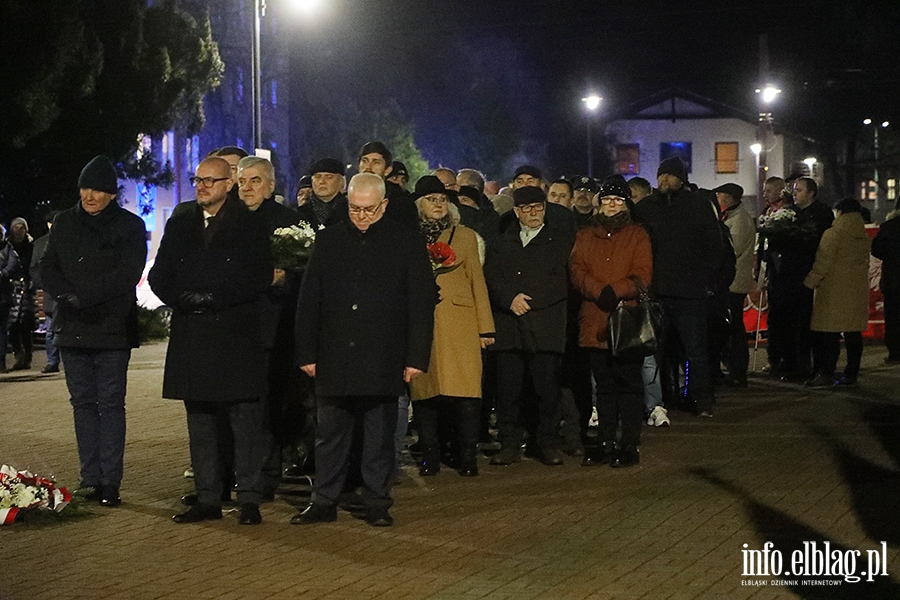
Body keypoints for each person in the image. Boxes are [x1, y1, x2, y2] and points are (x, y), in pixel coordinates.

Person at [292, 173, 434, 527]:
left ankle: (376, 501)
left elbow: (420, 304)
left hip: (383, 354)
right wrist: (307, 353)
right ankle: (323, 499)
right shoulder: (329, 241)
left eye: (369, 210)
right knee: (330, 435)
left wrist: (416, 357)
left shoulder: (406, 242)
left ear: (383, 205)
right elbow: (309, 301)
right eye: (354, 209)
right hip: (335, 353)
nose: (361, 217)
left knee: (378, 436)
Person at [149, 156, 272, 525]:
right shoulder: (182, 223)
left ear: (229, 183)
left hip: (234, 334)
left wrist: (217, 299)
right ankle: (207, 497)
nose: (201, 186)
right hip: (194, 334)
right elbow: (159, 275)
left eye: (209, 180)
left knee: (244, 420)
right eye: (197, 180)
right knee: (200, 420)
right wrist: (181, 298)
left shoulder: (250, 224)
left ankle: (249, 497)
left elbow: (259, 275)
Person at [40, 155, 147, 506]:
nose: (90, 195)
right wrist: (65, 296)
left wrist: (84, 296)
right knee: (82, 404)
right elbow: (48, 267)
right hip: (73, 327)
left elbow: (129, 273)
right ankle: (90, 478)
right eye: (86, 188)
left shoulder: (130, 226)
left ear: (112, 195)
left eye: (99, 190)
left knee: (112, 404)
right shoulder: (65, 223)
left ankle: (110, 481)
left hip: (112, 328)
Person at [409, 176, 495, 477]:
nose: (438, 204)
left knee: (467, 393)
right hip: (423, 325)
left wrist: (485, 328)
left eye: (443, 199)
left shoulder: (466, 236)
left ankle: (467, 456)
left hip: (461, 323)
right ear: (420, 204)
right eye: (431, 199)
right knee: (425, 393)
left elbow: (478, 282)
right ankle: (430, 456)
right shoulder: (408, 237)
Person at [485, 186, 574, 466]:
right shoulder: (501, 242)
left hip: (544, 327)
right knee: (508, 391)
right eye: (527, 208)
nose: (533, 213)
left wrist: (528, 300)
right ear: (516, 212)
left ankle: (546, 443)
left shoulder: (559, 241)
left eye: (538, 207)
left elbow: (561, 280)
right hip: (509, 327)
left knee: (546, 390)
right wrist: (509, 299)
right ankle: (509, 444)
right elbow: (491, 277)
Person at [632, 156, 724, 417]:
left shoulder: (698, 206)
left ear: (681, 178)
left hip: (689, 293)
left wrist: (701, 280)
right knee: (654, 353)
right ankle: (658, 401)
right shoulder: (647, 208)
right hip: (656, 292)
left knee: (695, 351)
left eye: (670, 175)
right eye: (661, 175)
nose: (664, 179)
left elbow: (713, 248)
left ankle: (700, 400)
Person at [570, 177, 652, 467]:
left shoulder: (637, 234)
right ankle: (606, 439)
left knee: (628, 383)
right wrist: (595, 290)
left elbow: (642, 273)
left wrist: (616, 290)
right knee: (603, 385)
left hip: (625, 317)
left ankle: (629, 442)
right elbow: (577, 269)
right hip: (595, 316)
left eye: (617, 200)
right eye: (606, 200)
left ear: (626, 203)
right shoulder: (586, 234)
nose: (611, 205)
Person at [237, 155, 304, 497]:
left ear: (271, 185)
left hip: (271, 330)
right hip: (233, 330)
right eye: (242, 182)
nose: (247, 188)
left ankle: (266, 475)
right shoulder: (227, 219)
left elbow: (301, 277)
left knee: (266, 407)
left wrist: (284, 279)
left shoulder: (288, 222)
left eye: (255, 181)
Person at [761, 177, 833, 381]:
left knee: (807, 324)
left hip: (807, 275)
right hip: (788, 277)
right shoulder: (792, 213)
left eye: (799, 190)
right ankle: (790, 363)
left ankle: (809, 366)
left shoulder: (821, 214)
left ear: (811, 193)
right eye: (793, 190)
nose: (794, 193)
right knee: (788, 322)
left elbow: (817, 243)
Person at [804, 198, 871, 387]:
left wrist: (810, 282)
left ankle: (827, 373)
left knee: (830, 334)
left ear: (840, 211)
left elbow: (823, 262)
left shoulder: (833, 234)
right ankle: (852, 373)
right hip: (855, 290)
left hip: (833, 289)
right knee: (853, 333)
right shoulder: (862, 235)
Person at [712, 183, 756, 387]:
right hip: (731, 282)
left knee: (734, 329)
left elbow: (730, 251)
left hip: (733, 283)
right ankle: (732, 369)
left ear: (728, 199)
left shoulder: (739, 221)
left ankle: (738, 371)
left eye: (719, 196)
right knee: (730, 328)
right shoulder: (732, 218)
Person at [357, 141, 418, 229]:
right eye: (364, 161)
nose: (368, 167)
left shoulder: (402, 205)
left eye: (376, 162)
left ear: (388, 170)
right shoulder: (346, 202)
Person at [30, 211, 61, 373]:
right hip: (51, 291)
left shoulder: (71, 240)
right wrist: (45, 284)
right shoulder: (41, 243)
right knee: (50, 328)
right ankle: (52, 361)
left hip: (70, 290)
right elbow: (34, 268)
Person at [872, 208, 900, 363]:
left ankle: (895, 353)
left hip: (893, 280)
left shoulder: (888, 227)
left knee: (893, 318)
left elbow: (876, 250)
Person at [295, 158, 347, 230]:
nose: (322, 181)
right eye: (317, 177)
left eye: (329, 177)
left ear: (341, 181)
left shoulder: (352, 211)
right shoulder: (299, 214)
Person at [0, 224, 21, 374]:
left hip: (3, 296)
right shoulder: (8, 249)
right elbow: (12, 266)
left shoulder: (8, 249)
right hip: (4, 295)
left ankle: (1, 361)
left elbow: (13, 266)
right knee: (1, 330)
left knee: (1, 330)